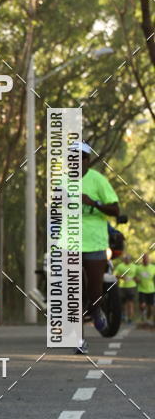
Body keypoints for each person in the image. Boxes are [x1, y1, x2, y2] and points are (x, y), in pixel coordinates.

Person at [76, 142, 120, 353]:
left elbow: (115, 210)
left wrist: (94, 203)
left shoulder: (98, 181)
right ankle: (79, 341)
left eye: (80, 158)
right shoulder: (62, 182)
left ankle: (96, 310)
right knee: (73, 293)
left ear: (87, 160)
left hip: (95, 243)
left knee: (95, 291)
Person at [114, 254, 137, 323]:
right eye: (126, 258)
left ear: (130, 259)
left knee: (130, 303)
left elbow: (137, 275)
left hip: (132, 287)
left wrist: (135, 278)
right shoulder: (120, 266)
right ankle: (123, 315)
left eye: (128, 259)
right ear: (124, 259)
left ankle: (130, 318)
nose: (127, 260)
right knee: (122, 303)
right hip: (122, 287)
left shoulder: (134, 266)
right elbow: (115, 274)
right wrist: (121, 277)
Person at [136, 253, 155, 323]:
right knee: (142, 305)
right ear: (142, 260)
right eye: (144, 259)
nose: (146, 260)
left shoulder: (153, 267)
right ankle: (143, 315)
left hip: (151, 289)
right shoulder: (138, 268)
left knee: (150, 307)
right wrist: (136, 279)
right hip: (141, 289)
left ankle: (148, 319)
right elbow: (135, 276)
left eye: (147, 259)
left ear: (149, 259)